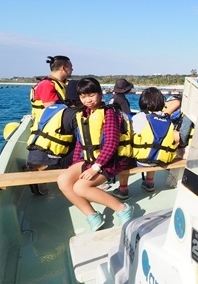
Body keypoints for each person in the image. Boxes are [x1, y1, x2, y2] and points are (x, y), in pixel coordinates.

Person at [57, 77, 133, 231]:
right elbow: (80, 142)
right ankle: (92, 215)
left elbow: (111, 143)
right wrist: (76, 166)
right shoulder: (83, 115)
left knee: (80, 188)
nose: (88, 100)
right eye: (83, 96)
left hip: (110, 160)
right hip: (89, 159)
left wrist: (95, 168)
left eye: (91, 95)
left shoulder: (109, 113)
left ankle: (122, 208)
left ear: (100, 93)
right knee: (63, 180)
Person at [113, 87, 180, 199]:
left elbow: (129, 134)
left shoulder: (140, 117)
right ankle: (149, 182)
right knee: (154, 146)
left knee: (124, 155)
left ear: (142, 102)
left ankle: (123, 189)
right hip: (161, 160)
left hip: (141, 161)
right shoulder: (167, 119)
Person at [25, 80, 80, 195]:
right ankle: (43, 169)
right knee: (85, 150)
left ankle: (35, 166)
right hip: (50, 158)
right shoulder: (75, 115)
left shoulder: (50, 110)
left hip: (32, 154)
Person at [30, 55, 73, 124]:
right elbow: (51, 111)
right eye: (71, 67)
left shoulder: (62, 84)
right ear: (63, 68)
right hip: (48, 128)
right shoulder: (46, 85)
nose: (72, 69)